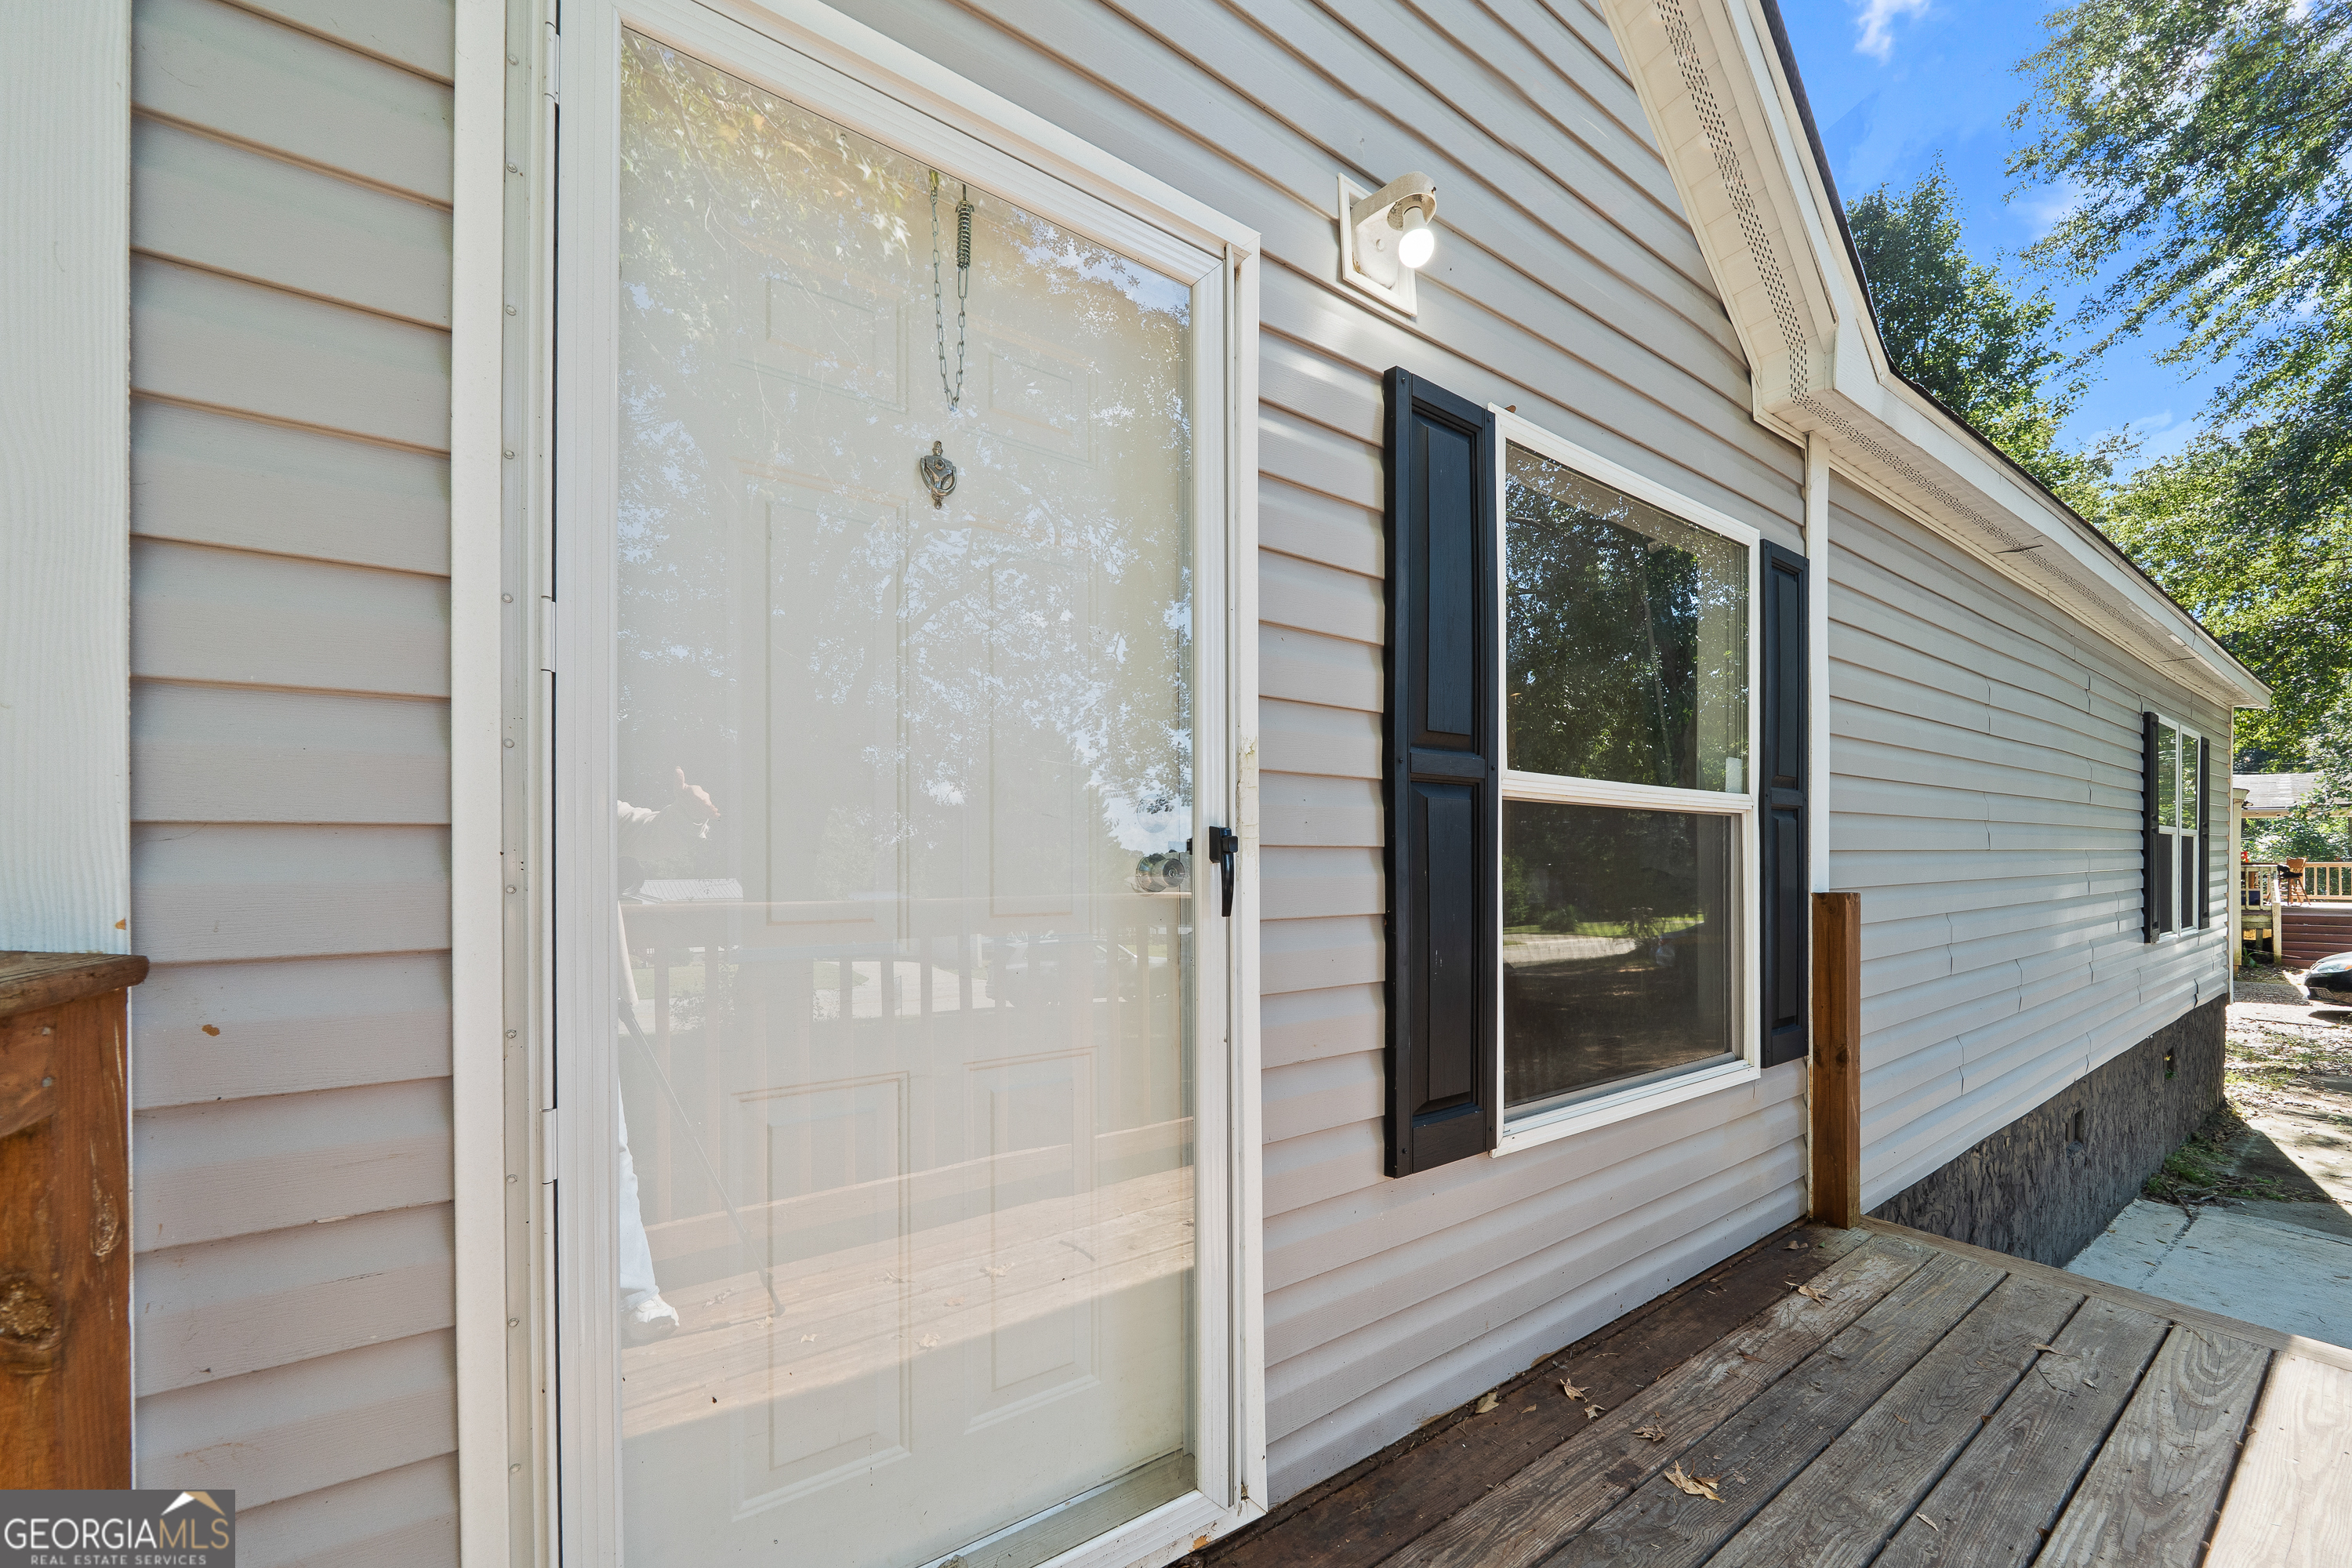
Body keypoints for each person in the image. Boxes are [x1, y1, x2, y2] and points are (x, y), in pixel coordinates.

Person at [615, 770, 722, 1345]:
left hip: (582, 993)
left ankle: (637, 1296)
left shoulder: (574, 788)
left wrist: (688, 811)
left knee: (610, 1146)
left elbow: (650, 834)